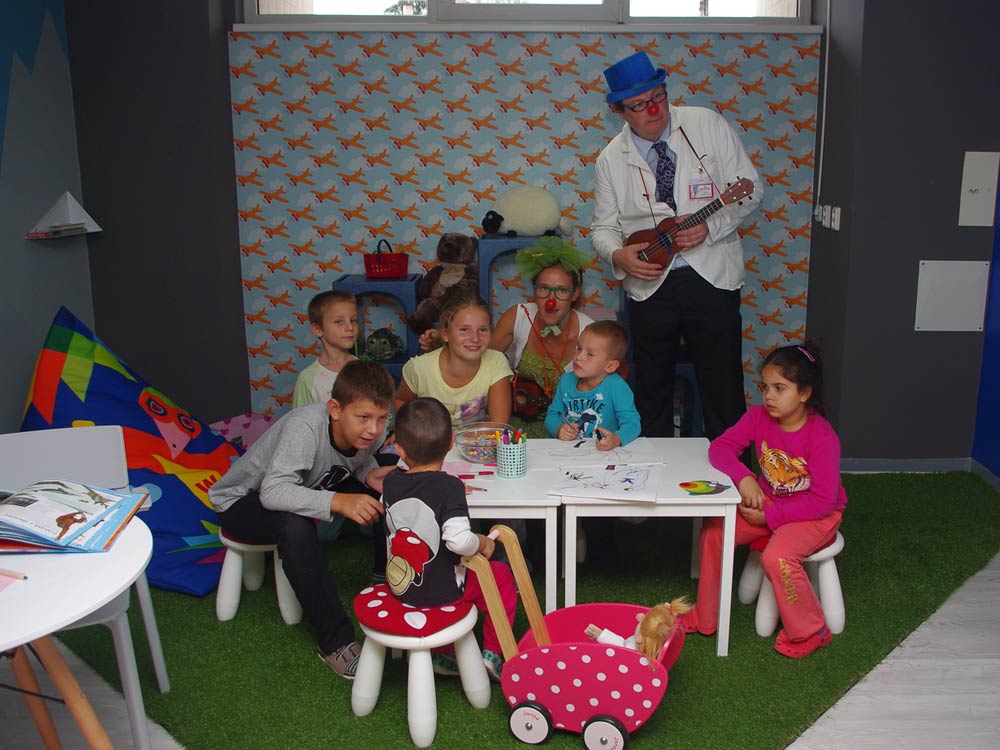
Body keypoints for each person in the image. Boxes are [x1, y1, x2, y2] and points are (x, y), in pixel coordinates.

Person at [590, 50, 764, 440]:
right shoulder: (609, 160)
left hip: (713, 277)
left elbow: (751, 190)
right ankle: (653, 473)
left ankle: (732, 472)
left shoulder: (708, 124)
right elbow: (602, 228)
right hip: (650, 286)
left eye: (658, 97)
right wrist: (619, 255)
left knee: (723, 388)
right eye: (639, 105)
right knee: (651, 393)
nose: (654, 110)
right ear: (619, 111)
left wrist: (711, 227)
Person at [209, 359, 396, 679]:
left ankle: (384, 582)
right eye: (363, 417)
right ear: (335, 409)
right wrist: (338, 501)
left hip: (307, 487)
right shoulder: (305, 428)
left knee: (387, 491)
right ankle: (335, 642)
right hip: (242, 501)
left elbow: (350, 462)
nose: (374, 429)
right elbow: (273, 492)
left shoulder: (371, 434)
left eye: (381, 418)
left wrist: (369, 474)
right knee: (294, 525)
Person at [678, 344, 847, 658]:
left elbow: (823, 502)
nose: (769, 396)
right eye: (765, 387)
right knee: (714, 532)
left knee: (777, 557)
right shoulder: (758, 417)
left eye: (779, 388)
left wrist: (770, 518)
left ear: (805, 393)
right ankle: (705, 616)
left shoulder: (823, 437)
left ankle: (811, 630)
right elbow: (720, 448)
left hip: (815, 515)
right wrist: (744, 477)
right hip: (770, 503)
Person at [381, 396, 517, 681]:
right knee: (501, 576)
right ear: (452, 441)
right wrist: (482, 541)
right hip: (442, 589)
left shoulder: (390, 481)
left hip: (403, 588)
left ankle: (440, 652)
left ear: (399, 449)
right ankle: (493, 653)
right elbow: (457, 541)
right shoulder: (450, 487)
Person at [418, 236, 596, 423]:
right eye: (544, 288)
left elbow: (607, 387)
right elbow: (479, 356)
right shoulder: (519, 316)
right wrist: (444, 341)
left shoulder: (590, 331)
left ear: (575, 294)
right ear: (534, 289)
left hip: (568, 428)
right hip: (518, 424)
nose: (551, 300)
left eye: (561, 290)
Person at [398, 291, 513, 426]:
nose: (475, 338)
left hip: (478, 438)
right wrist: (411, 431)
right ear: (445, 333)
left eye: (483, 330)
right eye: (464, 329)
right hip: (430, 439)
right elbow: (400, 401)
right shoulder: (419, 368)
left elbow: (498, 424)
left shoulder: (496, 362)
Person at [544, 319, 640, 451]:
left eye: (590, 354)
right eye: (579, 348)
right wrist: (559, 429)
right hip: (567, 453)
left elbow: (632, 424)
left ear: (610, 366)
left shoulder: (617, 387)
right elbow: (552, 415)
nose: (579, 357)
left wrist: (617, 439)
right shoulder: (566, 380)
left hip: (602, 455)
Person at [292, 290, 358, 408]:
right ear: (317, 329)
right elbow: (300, 418)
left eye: (353, 320)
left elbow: (383, 413)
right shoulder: (307, 379)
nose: (349, 327)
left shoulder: (367, 371)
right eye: (339, 321)